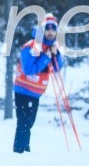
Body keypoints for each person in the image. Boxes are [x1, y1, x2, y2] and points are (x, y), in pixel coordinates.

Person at [13, 14, 63, 153]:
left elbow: (57, 68)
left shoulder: (51, 46)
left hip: (36, 93)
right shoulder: (32, 46)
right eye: (47, 29)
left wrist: (56, 54)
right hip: (23, 89)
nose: (50, 32)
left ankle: (24, 151)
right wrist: (46, 57)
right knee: (23, 123)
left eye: (53, 29)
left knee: (29, 123)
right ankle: (19, 152)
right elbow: (28, 69)